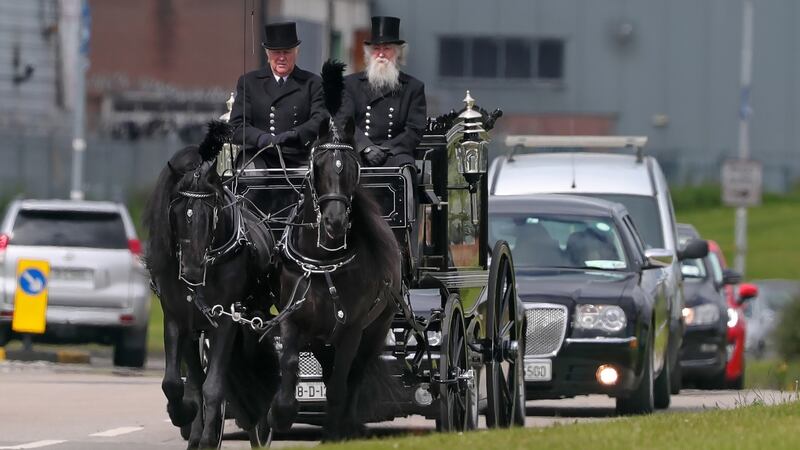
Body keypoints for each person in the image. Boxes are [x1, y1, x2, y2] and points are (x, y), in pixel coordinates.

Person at [229, 22, 326, 168]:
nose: (281, 57)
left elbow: (320, 119)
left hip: (297, 155)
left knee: (313, 181)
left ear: (296, 53)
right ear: (268, 54)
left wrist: (295, 134)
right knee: (255, 177)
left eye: (287, 52)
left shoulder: (312, 83)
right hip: (258, 154)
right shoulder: (250, 82)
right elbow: (236, 126)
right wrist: (262, 138)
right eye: (276, 52)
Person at [338, 16, 427, 168]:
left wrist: (385, 150)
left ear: (398, 53)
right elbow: (343, 121)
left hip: (394, 153)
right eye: (376, 49)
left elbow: (414, 130)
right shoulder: (349, 84)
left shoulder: (413, 87)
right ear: (368, 53)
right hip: (358, 151)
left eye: (387, 49)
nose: (381, 54)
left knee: (406, 169)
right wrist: (366, 147)